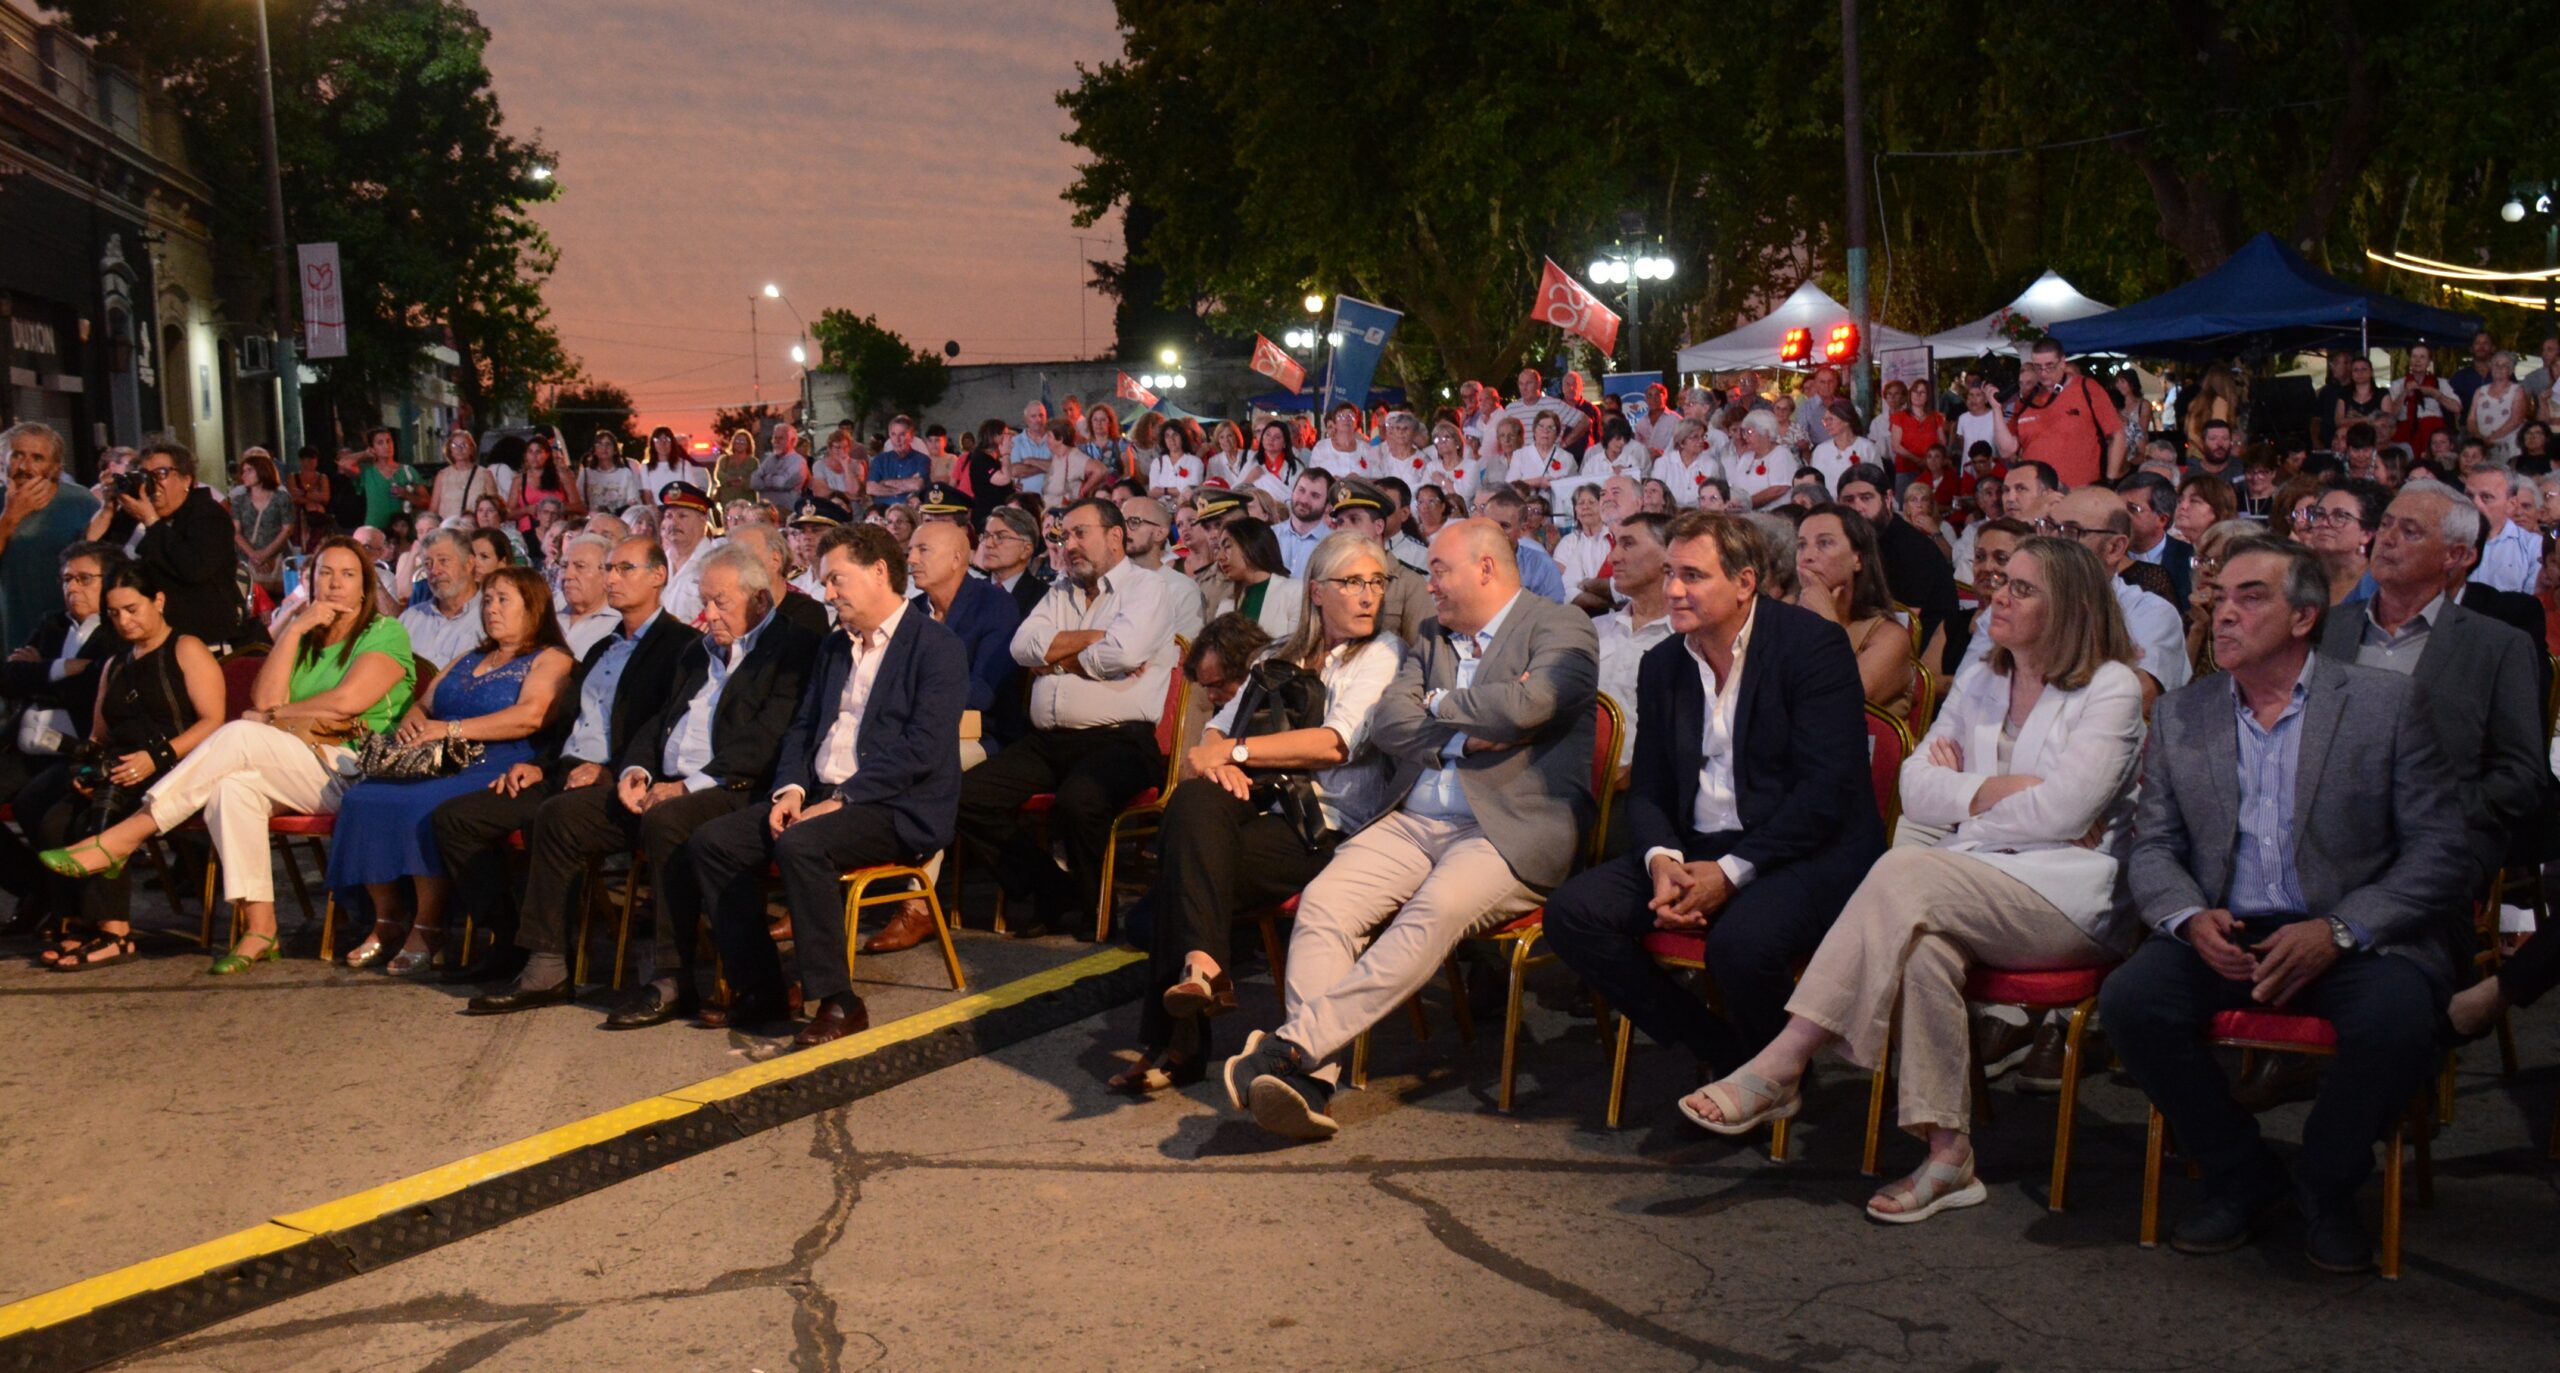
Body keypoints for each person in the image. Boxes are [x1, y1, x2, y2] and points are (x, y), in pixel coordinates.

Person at [1684, 535, 2143, 1221]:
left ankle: (1784, 1058)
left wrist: (1970, 798)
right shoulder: (1986, 677)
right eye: (2000, 581)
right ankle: (1948, 1154)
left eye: (2022, 588)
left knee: (1904, 870)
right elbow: (1915, 782)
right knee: (1923, 947)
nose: (1998, 594)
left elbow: (2068, 810)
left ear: (2072, 605)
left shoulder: (2112, 687)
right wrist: (2001, 792)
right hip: (1970, 874)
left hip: (2071, 896)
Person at [2101, 537, 2471, 1275]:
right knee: (2132, 1002)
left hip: (2349, 930)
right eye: (2219, 596)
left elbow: (2440, 850)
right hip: (2228, 927)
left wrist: (2340, 929)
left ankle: (2328, 1184)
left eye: (2250, 596)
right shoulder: (2183, 714)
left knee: (2398, 1019)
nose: (2224, 612)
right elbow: (2152, 846)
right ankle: (2241, 1171)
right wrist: (2185, 916)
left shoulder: (2382, 705)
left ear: (2305, 616)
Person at [1218, 519, 1596, 1139]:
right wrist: (1464, 730)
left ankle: (1291, 1050)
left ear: (1486, 568)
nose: (1421, 585)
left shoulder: (1561, 626)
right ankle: (1311, 1080)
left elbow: (1532, 707)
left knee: (1433, 910)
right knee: (1324, 905)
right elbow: (1392, 723)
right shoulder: (1430, 634)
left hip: (1505, 829)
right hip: (1414, 818)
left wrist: (1438, 706)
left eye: (1438, 570)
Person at [40, 538, 416, 970]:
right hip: (301, 763)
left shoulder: (385, 631)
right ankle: (261, 928)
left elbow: (346, 702)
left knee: (238, 732)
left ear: (365, 586)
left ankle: (127, 836)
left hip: (358, 769)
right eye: (324, 573)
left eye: (347, 575)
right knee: (231, 790)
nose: (334, 583)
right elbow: (263, 694)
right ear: (310, 582)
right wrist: (293, 629)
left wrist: (275, 715)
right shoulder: (304, 636)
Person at [1119, 534, 1405, 1091]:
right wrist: (1212, 749)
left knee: (1179, 886)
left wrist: (1236, 753)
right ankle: (1203, 966)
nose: (1368, 595)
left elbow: (1334, 745)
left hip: (1321, 826)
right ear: (1317, 592)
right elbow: (1221, 720)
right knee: (1197, 800)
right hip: (1260, 805)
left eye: (1376, 582)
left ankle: (1174, 1046)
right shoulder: (1280, 652)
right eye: (1353, 583)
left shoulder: (1383, 655)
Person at [684, 524, 968, 1045]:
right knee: (713, 843)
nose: (828, 593)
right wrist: (790, 789)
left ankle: (839, 1000)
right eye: (825, 582)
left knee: (802, 844)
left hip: (896, 806)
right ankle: (763, 988)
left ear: (879, 572)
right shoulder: (836, 647)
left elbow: (922, 750)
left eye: (836, 579)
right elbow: (802, 728)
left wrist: (841, 799)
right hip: (823, 797)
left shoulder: (936, 646)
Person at [329, 567, 574, 974]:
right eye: (489, 600)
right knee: (362, 798)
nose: (492, 609)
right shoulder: (470, 657)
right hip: (436, 757)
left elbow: (532, 716)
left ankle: (429, 924)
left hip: (496, 760)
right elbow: (425, 703)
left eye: (503, 600)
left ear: (534, 607)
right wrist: (413, 716)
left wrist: (451, 728)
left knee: (424, 806)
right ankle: (387, 918)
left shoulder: (550, 658)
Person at [956, 497, 1177, 937]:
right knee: (967, 796)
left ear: (1115, 537)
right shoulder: (1060, 589)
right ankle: (1057, 890)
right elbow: (1022, 648)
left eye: (1080, 533)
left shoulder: (1147, 588)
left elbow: (1123, 653)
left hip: (1119, 740)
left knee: (1081, 799)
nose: (1068, 544)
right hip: (1048, 741)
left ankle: (1096, 911)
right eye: (1063, 535)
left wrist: (1056, 659)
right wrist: (1093, 638)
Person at [2321, 481, 2547, 892]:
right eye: (2386, 525)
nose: (2387, 539)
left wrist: (2428, 813)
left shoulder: (2497, 646)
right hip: (2325, 834)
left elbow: (2521, 777)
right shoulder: (2328, 629)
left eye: (2410, 532)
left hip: (2436, 838)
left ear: (2456, 555)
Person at [17, 564, 225, 969]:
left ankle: (114, 932)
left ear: (158, 601)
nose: (124, 621)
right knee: (55, 819)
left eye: (132, 609)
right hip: (120, 766)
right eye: (114, 614)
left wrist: (157, 757)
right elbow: (100, 735)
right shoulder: (115, 664)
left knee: (103, 821)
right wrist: (85, 770)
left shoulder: (186, 648)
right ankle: (76, 924)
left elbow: (214, 721)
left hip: (176, 764)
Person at [2043, 487, 2192, 696]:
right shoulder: (2015, 603)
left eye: (2071, 532)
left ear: (2114, 549)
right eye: (2049, 526)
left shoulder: (2150, 613)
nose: (2052, 542)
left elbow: (2137, 697)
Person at [906, 518, 1023, 771]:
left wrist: (910, 708)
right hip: (911, 728)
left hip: (980, 734)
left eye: (923, 550)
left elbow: (981, 693)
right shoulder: (910, 613)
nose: (911, 559)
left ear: (957, 559)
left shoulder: (994, 605)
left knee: (909, 765)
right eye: (910, 550)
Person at [1791, 504, 1915, 717]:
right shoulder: (1786, 620)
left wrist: (1826, 623)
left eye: (1824, 543)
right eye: (1801, 545)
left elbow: (1840, 705)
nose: (1807, 556)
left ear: (1857, 559)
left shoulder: (1890, 637)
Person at [1835, 464, 1959, 661]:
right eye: (1848, 500)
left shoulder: (1912, 548)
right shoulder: (1857, 543)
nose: (1858, 507)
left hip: (1922, 654)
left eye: (1866, 498)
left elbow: (1903, 622)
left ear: (1888, 498)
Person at [0, 423, 104, 654]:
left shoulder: (80, 502)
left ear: (56, 467)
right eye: (17, 455)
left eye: (37, 458)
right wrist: (10, 517)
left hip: (67, 634)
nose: (25, 466)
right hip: (10, 632)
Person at [1593, 512, 1673, 776]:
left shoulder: (1689, 642)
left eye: (1628, 544)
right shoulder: (1594, 631)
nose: (1613, 557)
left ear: (1667, 555)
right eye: (1615, 544)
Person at [2002, 339, 2127, 487]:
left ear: (2062, 362)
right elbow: (2008, 449)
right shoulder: (2027, 398)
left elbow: (2117, 434)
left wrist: (2109, 481)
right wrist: (1996, 410)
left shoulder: (2086, 388)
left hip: (2079, 493)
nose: (2043, 373)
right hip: (2036, 494)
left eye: (2050, 366)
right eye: (2038, 367)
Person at [1322, 481, 1432, 644]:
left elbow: (1421, 653)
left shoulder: (1410, 584)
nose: (1344, 529)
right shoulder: (1329, 581)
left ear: (1379, 526)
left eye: (1355, 519)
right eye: (1340, 522)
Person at [1116, 495, 1207, 640]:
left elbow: (1182, 654)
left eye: (1134, 522)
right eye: (1121, 523)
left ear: (1160, 533)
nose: (1125, 530)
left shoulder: (1182, 590)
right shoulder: (1109, 584)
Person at [399, 528, 487, 672]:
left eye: (444, 561)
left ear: (469, 563)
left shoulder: (491, 616)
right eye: (428, 564)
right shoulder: (410, 618)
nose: (435, 571)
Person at [1206, 516, 1302, 641]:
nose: (1220, 557)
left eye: (1228, 546)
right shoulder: (1226, 607)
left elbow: (1297, 648)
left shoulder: (1295, 592)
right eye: (1219, 550)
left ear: (1252, 544)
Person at [1473, 486, 1572, 602]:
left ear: (1522, 530)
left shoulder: (1541, 566)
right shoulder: (1465, 561)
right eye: (1490, 524)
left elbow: (1556, 611)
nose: (1496, 530)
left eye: (1504, 526)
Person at [2464, 464, 2542, 593]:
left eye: (2486, 497)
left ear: (2511, 504)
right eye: (2469, 496)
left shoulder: (2533, 547)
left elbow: (2532, 604)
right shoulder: (2446, 542)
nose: (2475, 504)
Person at [228, 448, 295, 601]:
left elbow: (287, 529)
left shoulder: (281, 497)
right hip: (246, 559)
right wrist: (254, 556)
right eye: (243, 471)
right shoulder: (239, 499)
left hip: (277, 558)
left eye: (249, 470)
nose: (244, 474)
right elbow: (236, 532)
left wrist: (265, 555)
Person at [2118, 471, 2193, 606]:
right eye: (2117, 508)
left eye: (2133, 509)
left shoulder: (2188, 558)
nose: (2121, 516)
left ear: (2162, 519)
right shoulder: (2106, 555)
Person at [654, 481, 721, 625]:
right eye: (669, 516)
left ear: (703, 520)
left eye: (682, 516)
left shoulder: (716, 564)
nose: (673, 523)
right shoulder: (657, 562)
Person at [552, 532, 622, 657]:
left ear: (606, 573)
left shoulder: (619, 625)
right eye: (564, 566)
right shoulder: (549, 611)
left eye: (580, 566)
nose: (567, 575)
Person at [427, 431, 510, 522]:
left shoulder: (484, 474)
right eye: (454, 446)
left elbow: (494, 505)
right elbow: (434, 508)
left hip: (474, 528)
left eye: (464, 445)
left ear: (471, 448)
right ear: (450, 450)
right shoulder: (442, 475)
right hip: (448, 530)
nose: (459, 449)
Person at [512, 435, 585, 524]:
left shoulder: (561, 475)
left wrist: (556, 508)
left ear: (547, 454)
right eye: (530, 452)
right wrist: (527, 510)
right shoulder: (519, 480)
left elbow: (579, 508)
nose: (534, 456)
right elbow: (509, 513)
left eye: (538, 452)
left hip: (556, 529)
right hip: (528, 532)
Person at [1272, 468, 1333, 577]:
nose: (1304, 500)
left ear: (1328, 506)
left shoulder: (1333, 544)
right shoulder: (1271, 535)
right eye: (1301, 490)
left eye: (1315, 495)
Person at [1552, 485, 1612, 589]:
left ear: (1602, 507)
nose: (1585, 507)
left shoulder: (1612, 537)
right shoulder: (1568, 542)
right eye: (1581, 503)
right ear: (1575, 511)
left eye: (1591, 502)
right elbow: (1565, 584)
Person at [867, 415, 931, 505]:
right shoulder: (879, 460)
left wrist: (884, 482)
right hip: (882, 511)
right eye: (893, 434)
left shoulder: (922, 459)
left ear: (912, 436)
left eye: (902, 435)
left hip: (909, 513)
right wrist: (906, 486)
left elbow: (917, 485)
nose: (897, 440)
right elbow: (871, 488)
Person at [637, 427, 705, 506]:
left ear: (672, 443)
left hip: (680, 507)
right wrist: (655, 511)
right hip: (658, 509)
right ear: (653, 444)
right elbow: (647, 495)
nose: (663, 444)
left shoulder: (684, 465)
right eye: (658, 440)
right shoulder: (645, 468)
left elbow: (691, 490)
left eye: (667, 440)